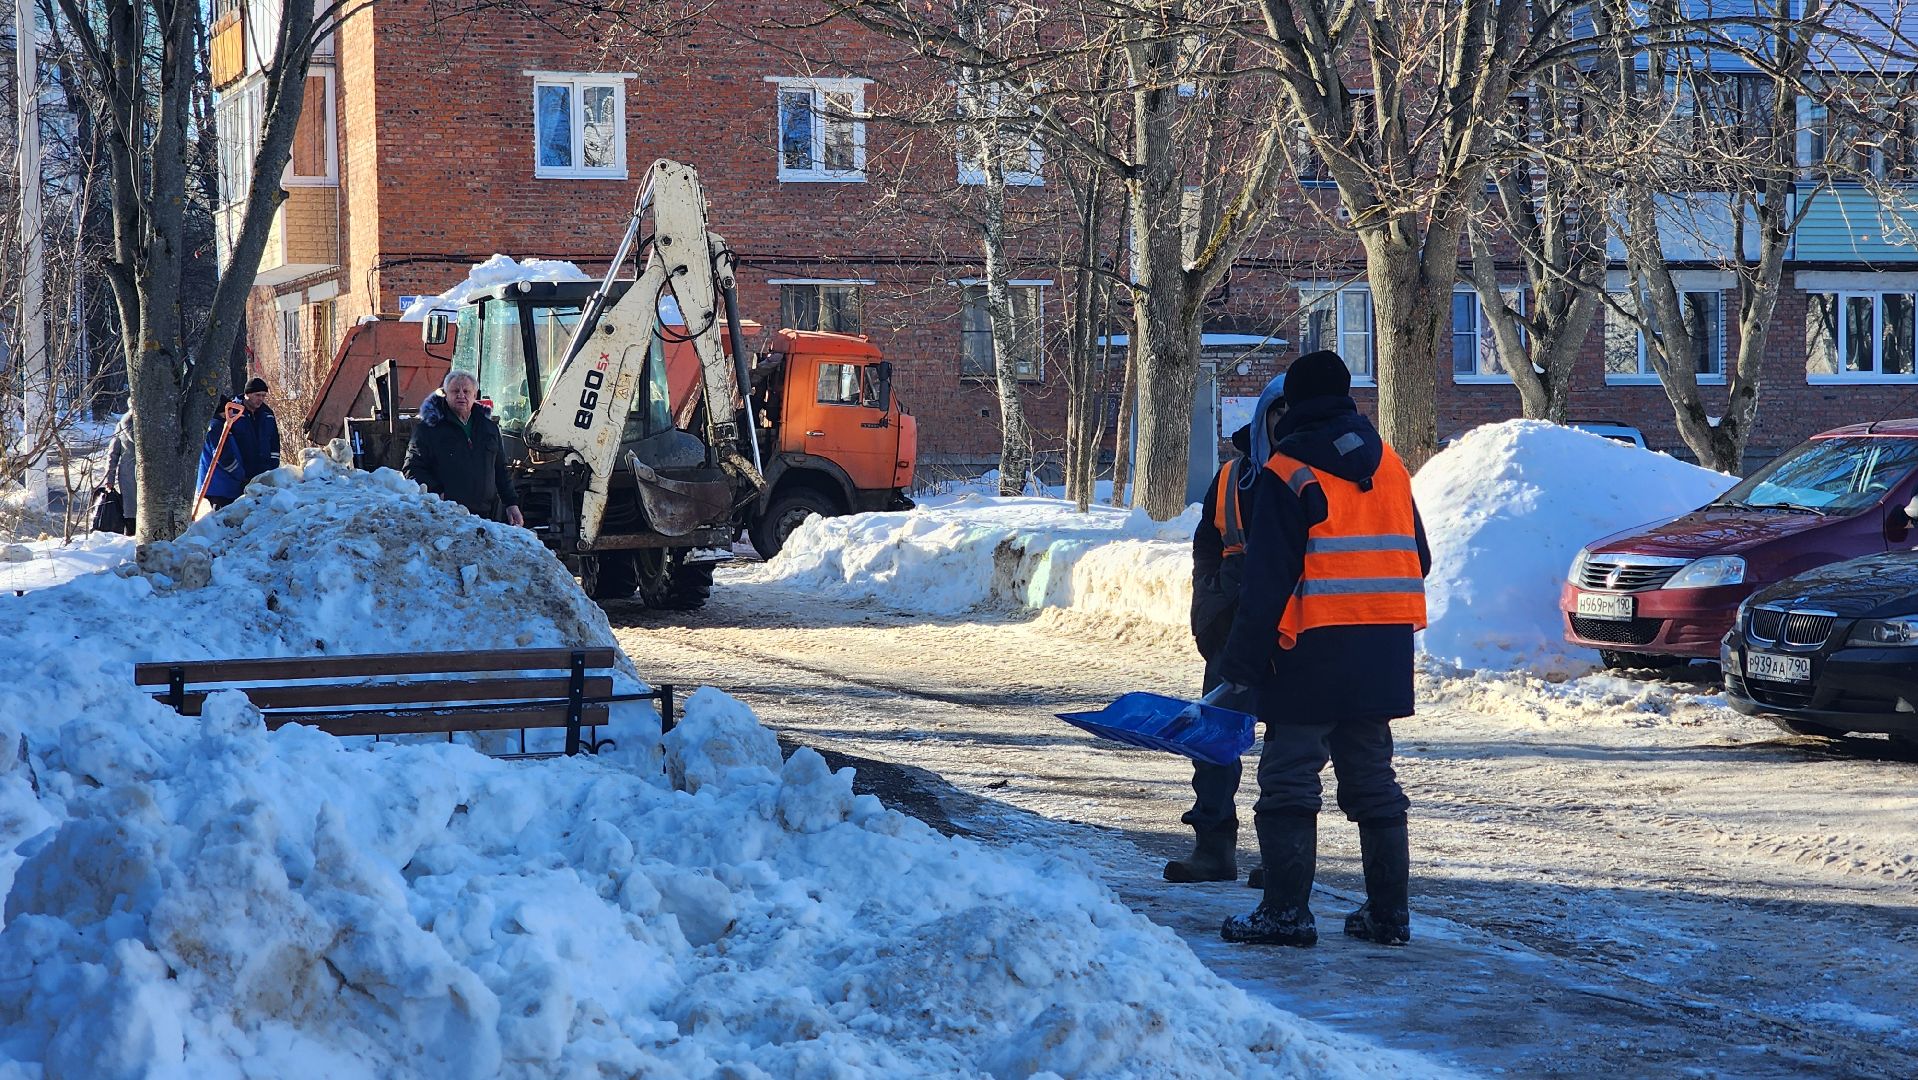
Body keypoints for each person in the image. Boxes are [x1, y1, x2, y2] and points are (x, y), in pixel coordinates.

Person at [1214, 349, 1431, 949]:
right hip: (1383, 649)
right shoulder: (1389, 464)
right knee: (1373, 779)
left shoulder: (1288, 469)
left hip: (1309, 645)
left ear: (1296, 405)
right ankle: (1389, 916)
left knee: (1289, 776)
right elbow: (1423, 558)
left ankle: (1286, 913)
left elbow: (1266, 583)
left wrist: (1240, 666)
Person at [1165, 380, 1286, 887]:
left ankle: (1282, 858)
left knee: (1287, 753)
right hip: (1233, 626)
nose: (1286, 423)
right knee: (1214, 740)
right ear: (1263, 417)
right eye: (1278, 413)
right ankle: (1213, 849)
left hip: (1293, 631)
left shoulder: (1317, 477)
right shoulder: (1235, 476)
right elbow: (1207, 545)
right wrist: (1209, 603)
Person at [403, 370, 525, 526]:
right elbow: (412, 468)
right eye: (455, 391)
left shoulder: (489, 429)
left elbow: (500, 469)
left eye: (466, 391)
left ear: (475, 395)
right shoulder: (428, 429)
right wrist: (437, 493)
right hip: (446, 517)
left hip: (485, 517)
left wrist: (511, 503)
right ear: (446, 395)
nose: (461, 395)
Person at [197, 377, 281, 509]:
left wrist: (273, 465)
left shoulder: (267, 414)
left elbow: (274, 441)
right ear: (247, 394)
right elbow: (222, 452)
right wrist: (240, 475)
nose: (260, 399)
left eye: (263, 396)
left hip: (262, 471)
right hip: (235, 478)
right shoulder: (233, 412)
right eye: (257, 395)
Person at [101, 410, 138, 534]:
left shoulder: (122, 424)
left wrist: (109, 479)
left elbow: (113, 454)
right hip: (149, 476)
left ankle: (130, 543)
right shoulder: (154, 424)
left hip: (128, 475)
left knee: (131, 512)